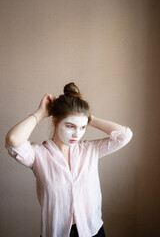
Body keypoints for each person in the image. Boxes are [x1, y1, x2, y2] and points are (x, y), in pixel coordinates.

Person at [5, 82, 133, 237]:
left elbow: (125, 135)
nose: (76, 135)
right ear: (55, 121)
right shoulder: (38, 155)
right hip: (56, 232)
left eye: (82, 128)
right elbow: (13, 140)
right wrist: (40, 113)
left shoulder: (90, 150)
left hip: (93, 230)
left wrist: (88, 118)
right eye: (70, 126)